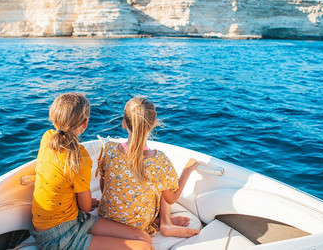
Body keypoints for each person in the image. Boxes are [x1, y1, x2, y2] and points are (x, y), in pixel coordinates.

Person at [31, 93, 153, 250]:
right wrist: (84, 201)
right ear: (85, 123)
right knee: (144, 246)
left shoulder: (47, 137)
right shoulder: (79, 157)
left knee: (143, 238)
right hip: (56, 238)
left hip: (72, 219)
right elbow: (86, 207)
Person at [97, 96, 200, 238]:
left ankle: (160, 221)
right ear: (154, 124)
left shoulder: (108, 149)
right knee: (164, 184)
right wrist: (186, 171)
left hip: (108, 218)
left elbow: (104, 185)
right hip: (138, 225)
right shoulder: (159, 160)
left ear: (124, 124)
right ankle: (165, 223)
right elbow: (171, 199)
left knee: (153, 183)